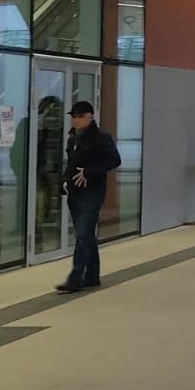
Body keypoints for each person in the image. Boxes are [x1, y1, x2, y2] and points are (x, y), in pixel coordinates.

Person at [56, 100, 121, 294]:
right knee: (85, 234)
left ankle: (76, 277)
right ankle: (92, 275)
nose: (76, 120)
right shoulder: (72, 139)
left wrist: (89, 172)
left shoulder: (101, 138)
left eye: (79, 116)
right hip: (75, 193)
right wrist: (64, 181)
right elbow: (71, 164)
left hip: (92, 193)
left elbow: (114, 160)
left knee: (83, 234)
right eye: (73, 116)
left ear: (90, 116)